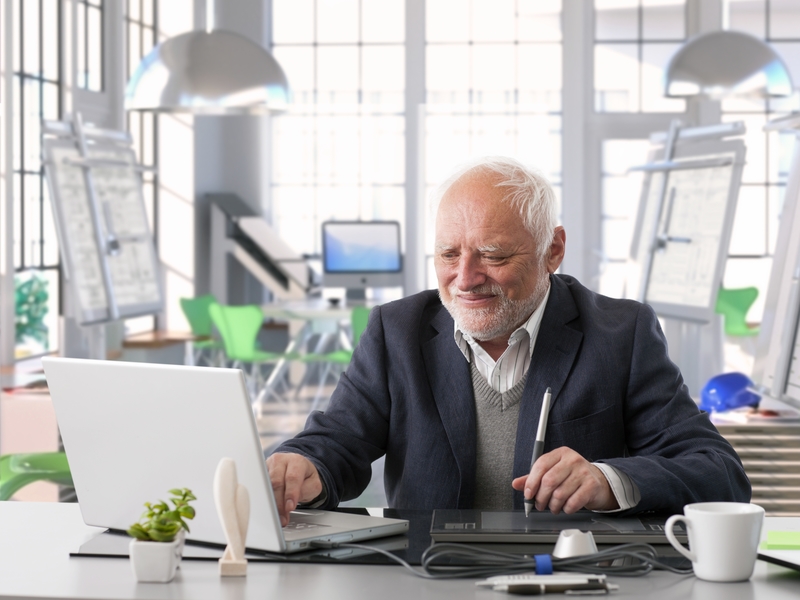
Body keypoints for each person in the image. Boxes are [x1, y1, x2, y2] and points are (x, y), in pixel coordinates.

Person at [267, 157, 750, 526]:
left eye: (493, 255)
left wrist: (608, 479)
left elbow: (719, 472)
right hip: (425, 579)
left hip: (568, 581)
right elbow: (336, 443)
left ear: (553, 250)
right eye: (448, 254)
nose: (465, 278)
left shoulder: (621, 334)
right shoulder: (397, 330)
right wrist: (302, 467)